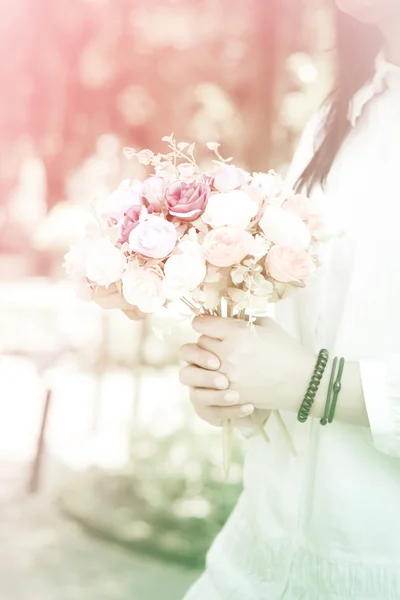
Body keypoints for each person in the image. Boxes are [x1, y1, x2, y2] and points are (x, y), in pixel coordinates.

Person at [177, 1, 400, 598]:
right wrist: (241, 391)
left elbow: (311, 376)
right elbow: (305, 334)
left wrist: (313, 384)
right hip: (253, 560)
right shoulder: (341, 116)